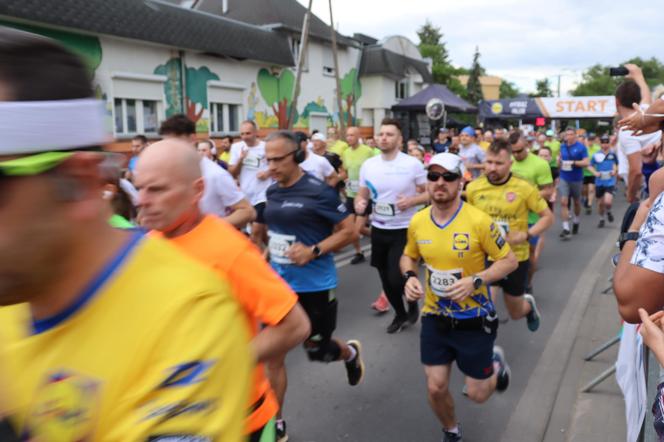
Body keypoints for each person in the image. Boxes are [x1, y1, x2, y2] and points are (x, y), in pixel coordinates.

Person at [0, 27, 251, 441]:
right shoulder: (14, 283)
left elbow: (245, 209)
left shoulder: (192, 318)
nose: (147, 200)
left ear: (79, 183)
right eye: (144, 189)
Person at [134, 139, 311, 442]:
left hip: (240, 422)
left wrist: (220, 364)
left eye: (157, 189)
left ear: (197, 190)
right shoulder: (148, 243)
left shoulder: (229, 249)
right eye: (139, 188)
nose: (141, 200)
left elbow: (295, 326)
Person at [400, 152, 517, 442]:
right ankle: (451, 430)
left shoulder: (479, 221)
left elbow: (509, 261)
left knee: (478, 394)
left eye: (448, 177)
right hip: (435, 316)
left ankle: (496, 363)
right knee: (435, 387)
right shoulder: (417, 221)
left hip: (474, 318)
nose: (440, 183)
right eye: (433, 176)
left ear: (460, 182)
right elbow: (408, 256)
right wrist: (410, 278)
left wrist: (475, 280)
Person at [262, 130, 364, 441]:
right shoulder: (272, 192)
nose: (273, 165)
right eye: (269, 160)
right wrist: (265, 259)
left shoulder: (319, 192)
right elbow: (275, 232)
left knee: (316, 350)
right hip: (279, 286)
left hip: (315, 284)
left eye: (278, 159)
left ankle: (348, 354)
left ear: (297, 156)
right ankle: (277, 422)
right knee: (272, 357)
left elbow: (350, 232)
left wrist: (314, 250)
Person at [466, 139, 553, 331]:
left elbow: (547, 217)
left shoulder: (524, 188)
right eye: (489, 162)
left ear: (510, 164)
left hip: (516, 257)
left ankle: (528, 307)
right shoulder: (473, 188)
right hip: (485, 257)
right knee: (484, 309)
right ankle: (486, 351)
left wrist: (526, 234)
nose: (492, 168)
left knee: (516, 312)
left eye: (498, 163)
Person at [355, 118, 429, 333]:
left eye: (389, 134)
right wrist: (360, 204)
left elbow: (428, 193)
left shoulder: (411, 164)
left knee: (396, 278)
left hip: (404, 229)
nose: (383, 137)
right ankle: (400, 314)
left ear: (400, 140)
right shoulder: (369, 165)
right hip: (379, 228)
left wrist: (411, 201)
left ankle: (411, 301)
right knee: (385, 278)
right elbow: (362, 195)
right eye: (381, 134)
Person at [159, 115, 256, 229]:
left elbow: (248, 211)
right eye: (166, 144)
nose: (169, 149)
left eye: (175, 143)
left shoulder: (215, 174)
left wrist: (209, 228)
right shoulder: (167, 172)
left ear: (192, 138)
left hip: (209, 243)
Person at [509, 132, 554, 294]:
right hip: (508, 218)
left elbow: (548, 191)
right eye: (513, 151)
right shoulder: (507, 163)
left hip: (532, 217)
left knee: (528, 255)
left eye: (519, 151)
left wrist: (524, 200)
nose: (516, 154)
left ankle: (528, 282)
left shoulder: (540, 164)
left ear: (527, 146)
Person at [615, 64, 661, 203]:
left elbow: (636, 171)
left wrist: (630, 195)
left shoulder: (627, 129)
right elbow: (646, 94)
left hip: (646, 190)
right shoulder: (646, 111)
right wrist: (638, 75)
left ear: (616, 101)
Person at [229, 120, 271, 245]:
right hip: (246, 195)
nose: (245, 137)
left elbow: (277, 165)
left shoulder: (266, 147)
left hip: (263, 194)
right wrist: (241, 160)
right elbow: (231, 172)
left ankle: (260, 262)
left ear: (256, 133)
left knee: (256, 232)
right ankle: (271, 255)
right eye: (242, 134)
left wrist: (267, 173)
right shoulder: (237, 147)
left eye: (248, 133)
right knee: (262, 234)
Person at [342, 126, 377, 265]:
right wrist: (343, 179)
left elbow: (376, 169)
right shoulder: (345, 152)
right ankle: (359, 252)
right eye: (347, 135)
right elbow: (346, 170)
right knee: (351, 229)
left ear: (358, 136)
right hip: (351, 195)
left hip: (364, 195)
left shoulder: (368, 151)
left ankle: (379, 238)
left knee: (358, 229)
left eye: (351, 135)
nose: (349, 138)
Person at [558, 127, 589, 239]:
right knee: (563, 202)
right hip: (564, 177)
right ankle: (566, 228)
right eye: (567, 134)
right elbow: (560, 161)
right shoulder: (562, 147)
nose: (569, 136)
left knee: (576, 202)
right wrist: (559, 162)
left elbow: (586, 162)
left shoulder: (581, 148)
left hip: (576, 178)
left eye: (571, 134)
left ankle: (576, 220)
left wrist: (574, 162)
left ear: (575, 135)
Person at [587, 135, 618, 227]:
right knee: (600, 203)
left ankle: (608, 211)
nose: (605, 145)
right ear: (600, 144)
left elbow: (616, 164)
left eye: (606, 142)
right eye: (603, 143)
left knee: (608, 201)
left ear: (609, 143)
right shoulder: (596, 155)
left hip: (610, 181)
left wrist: (614, 170)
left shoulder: (613, 154)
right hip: (599, 181)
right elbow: (589, 166)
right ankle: (602, 219)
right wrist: (595, 173)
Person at [581, 134, 601, 214]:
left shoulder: (598, 149)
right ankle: (585, 198)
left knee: (591, 189)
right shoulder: (583, 149)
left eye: (592, 140)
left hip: (593, 172)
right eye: (589, 140)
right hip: (583, 172)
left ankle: (589, 205)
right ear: (586, 140)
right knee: (584, 190)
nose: (590, 141)